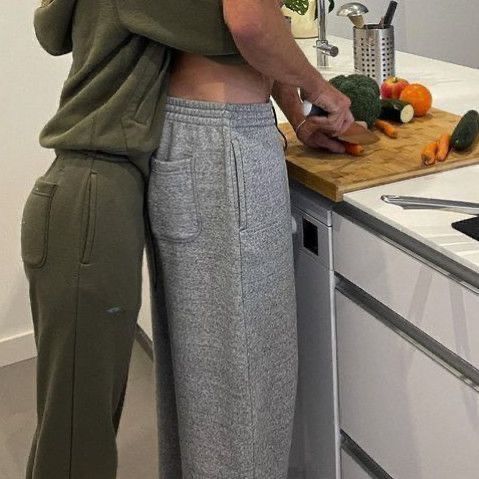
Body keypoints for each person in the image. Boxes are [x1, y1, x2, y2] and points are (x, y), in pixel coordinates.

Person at [24, 1, 352, 479]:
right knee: (242, 388)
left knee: (201, 387)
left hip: (177, 144)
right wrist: (322, 89)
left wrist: (298, 116)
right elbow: (252, 26)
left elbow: (256, 28)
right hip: (213, 144)